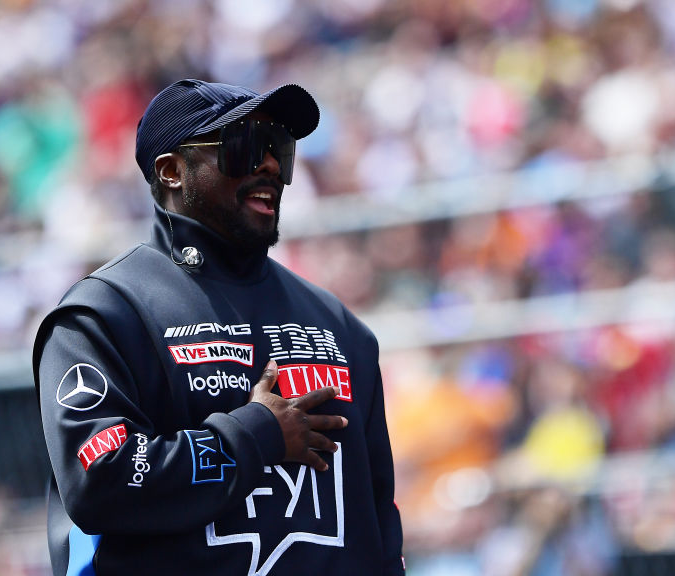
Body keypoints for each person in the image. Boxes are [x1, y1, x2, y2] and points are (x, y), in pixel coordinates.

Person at [32, 79, 405, 575]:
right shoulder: (107, 314)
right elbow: (99, 478)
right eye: (244, 147)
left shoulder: (341, 328)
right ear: (172, 172)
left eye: (279, 149)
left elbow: (379, 527)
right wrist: (254, 436)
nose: (270, 166)